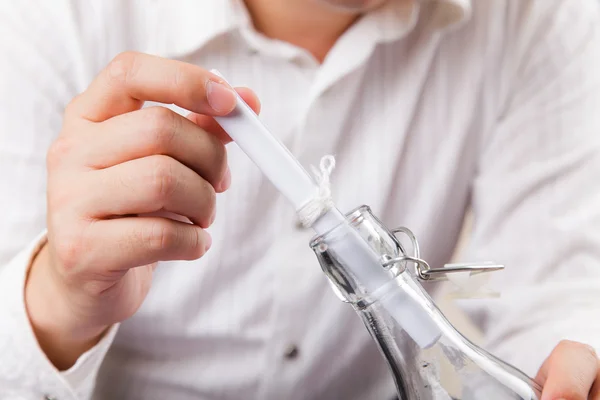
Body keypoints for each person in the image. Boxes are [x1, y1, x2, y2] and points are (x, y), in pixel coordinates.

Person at [1, 0, 599, 399]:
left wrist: (571, 354)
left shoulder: (534, 19)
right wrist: (61, 300)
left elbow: (557, 291)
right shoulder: (52, 21)